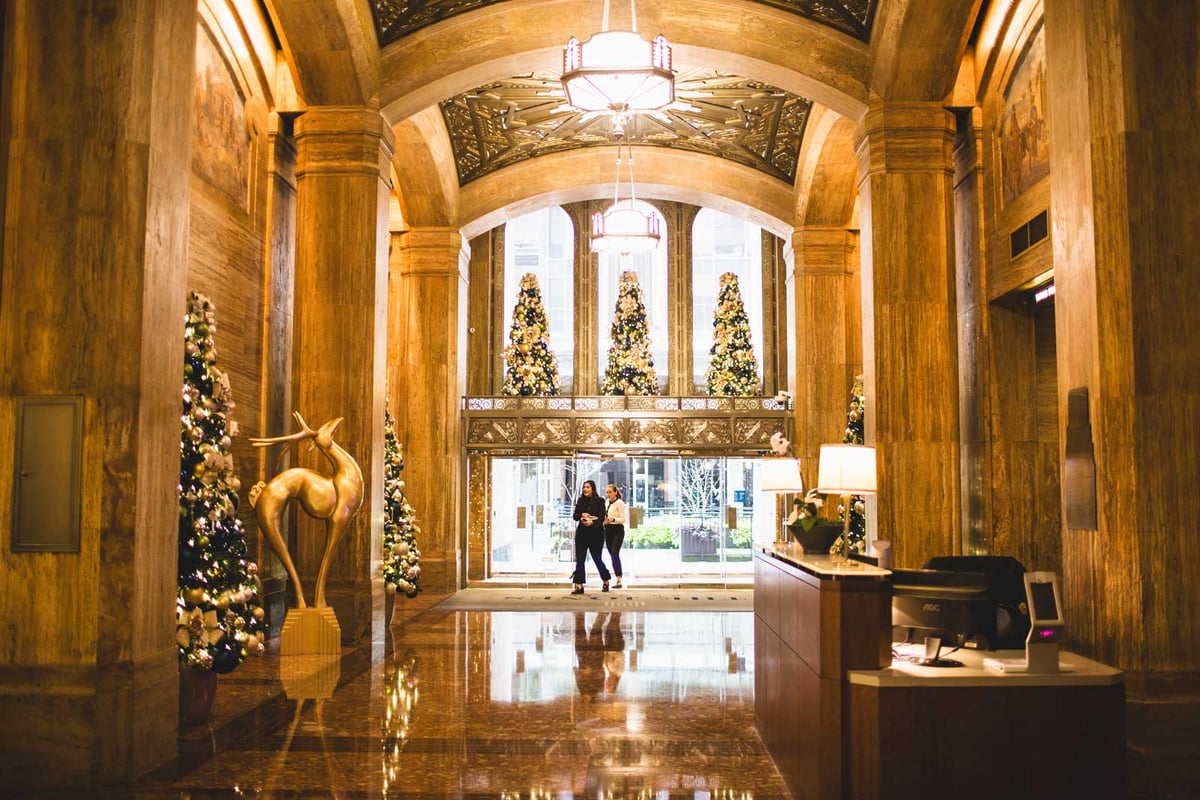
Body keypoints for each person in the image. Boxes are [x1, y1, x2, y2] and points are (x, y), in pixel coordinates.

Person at [571, 479, 610, 594]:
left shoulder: (600, 501)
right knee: (580, 559)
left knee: (597, 558)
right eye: (584, 487)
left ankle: (605, 580)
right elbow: (575, 516)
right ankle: (579, 585)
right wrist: (581, 515)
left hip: (596, 533)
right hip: (582, 533)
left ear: (592, 488)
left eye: (587, 487)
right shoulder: (580, 501)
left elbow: (602, 517)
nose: (585, 489)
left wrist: (592, 522)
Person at [603, 484, 627, 589]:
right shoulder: (607, 502)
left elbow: (623, 519)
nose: (608, 494)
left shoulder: (620, 503)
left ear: (615, 492)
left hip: (617, 529)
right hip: (608, 530)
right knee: (611, 554)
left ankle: (619, 578)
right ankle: (617, 577)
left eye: (610, 492)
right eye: (607, 492)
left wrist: (613, 520)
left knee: (615, 553)